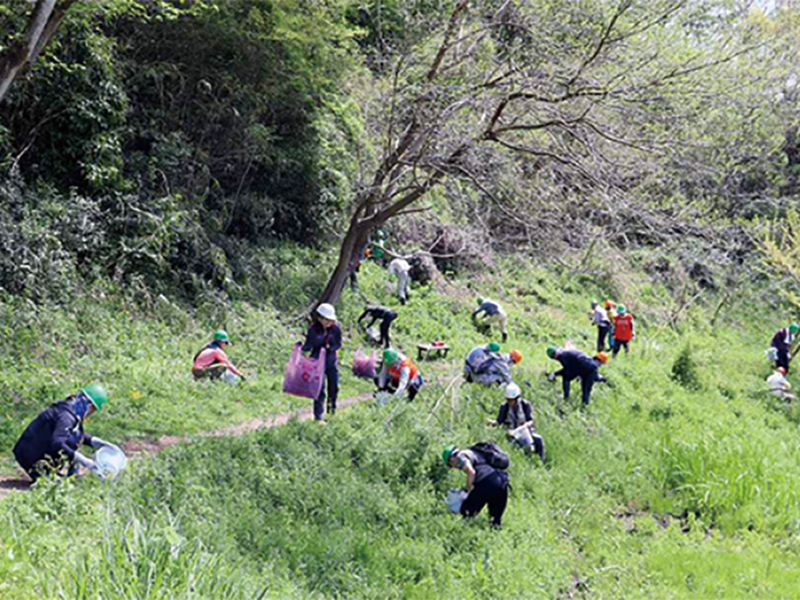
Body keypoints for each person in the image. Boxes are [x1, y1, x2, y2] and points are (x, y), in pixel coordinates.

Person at [13, 383, 119, 482]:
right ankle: (44, 473)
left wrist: (99, 443)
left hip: (32, 449)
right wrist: (85, 462)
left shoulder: (71, 410)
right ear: (89, 406)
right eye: (93, 410)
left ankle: (70, 476)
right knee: (71, 443)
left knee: (74, 439)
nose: (91, 413)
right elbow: (58, 443)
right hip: (30, 456)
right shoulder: (66, 416)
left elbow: (76, 432)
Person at [443, 444, 510, 528]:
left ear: (451, 459)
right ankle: (495, 534)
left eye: (450, 465)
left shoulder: (462, 457)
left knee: (467, 511)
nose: (453, 467)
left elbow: (471, 472)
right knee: (495, 519)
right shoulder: (475, 452)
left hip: (486, 482)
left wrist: (466, 491)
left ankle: (462, 532)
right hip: (502, 481)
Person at [302, 303, 343, 421]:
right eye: (327, 320)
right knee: (319, 389)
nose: (329, 322)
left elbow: (338, 344)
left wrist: (330, 347)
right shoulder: (313, 329)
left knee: (334, 386)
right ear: (320, 318)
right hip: (317, 362)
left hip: (331, 361)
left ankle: (331, 411)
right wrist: (301, 349)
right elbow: (309, 345)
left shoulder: (335, 329)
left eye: (331, 320)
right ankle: (318, 416)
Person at [490, 383, 545, 461]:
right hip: (510, 433)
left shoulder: (525, 404)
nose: (510, 402)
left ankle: (541, 461)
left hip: (525, 431)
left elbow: (531, 421)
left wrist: (523, 427)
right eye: (508, 400)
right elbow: (500, 420)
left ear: (517, 398)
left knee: (538, 439)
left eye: (511, 400)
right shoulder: (504, 407)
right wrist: (493, 423)